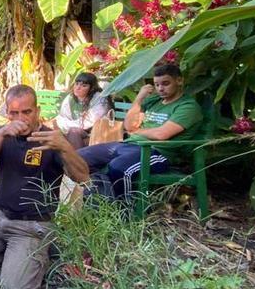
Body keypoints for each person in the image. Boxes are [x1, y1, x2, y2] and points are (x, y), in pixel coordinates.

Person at [0, 85, 89, 289]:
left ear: (37, 111)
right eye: (14, 113)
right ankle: (16, 256)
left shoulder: (51, 140)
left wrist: (65, 147)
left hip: (31, 226)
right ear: (7, 113)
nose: (21, 118)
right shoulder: (1, 133)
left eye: (27, 112)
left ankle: (37, 254)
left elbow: (82, 176)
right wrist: (2, 132)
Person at [78, 64, 203, 199]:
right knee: (79, 157)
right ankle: (97, 199)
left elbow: (161, 134)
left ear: (179, 81)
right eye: (157, 84)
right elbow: (129, 126)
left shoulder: (187, 106)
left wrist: (137, 131)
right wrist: (139, 98)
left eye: (165, 83)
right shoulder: (154, 101)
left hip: (157, 152)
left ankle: (123, 208)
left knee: (119, 167)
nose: (160, 88)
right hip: (129, 145)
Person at [55, 72, 110, 149]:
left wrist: (66, 125)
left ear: (92, 88)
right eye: (76, 84)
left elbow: (88, 123)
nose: (78, 88)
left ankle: (76, 156)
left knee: (73, 132)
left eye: (84, 86)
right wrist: (63, 125)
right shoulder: (70, 98)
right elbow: (62, 117)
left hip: (96, 134)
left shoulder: (99, 98)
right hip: (74, 130)